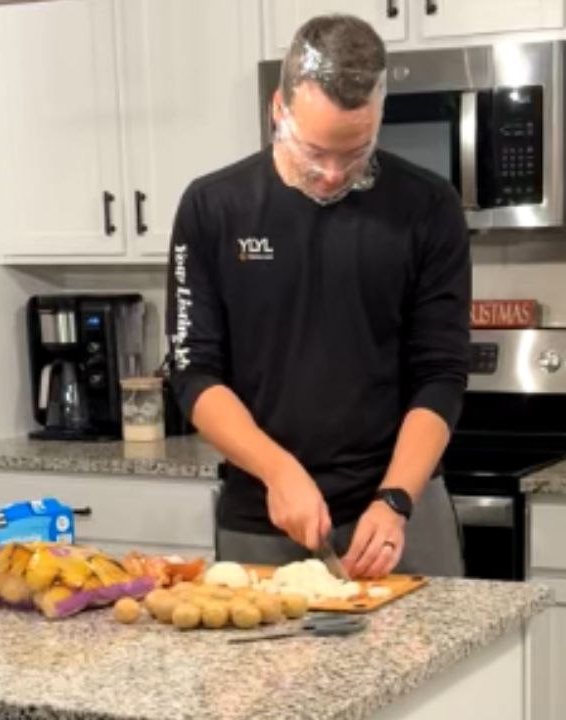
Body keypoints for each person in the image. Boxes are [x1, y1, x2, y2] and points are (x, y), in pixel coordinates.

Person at [165, 14, 469, 579]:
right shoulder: (213, 208)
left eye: (355, 152)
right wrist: (278, 470)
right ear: (278, 109)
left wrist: (396, 499)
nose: (332, 174)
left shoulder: (428, 207)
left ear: (378, 119)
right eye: (314, 151)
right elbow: (194, 374)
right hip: (264, 518)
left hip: (397, 518)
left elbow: (442, 374)